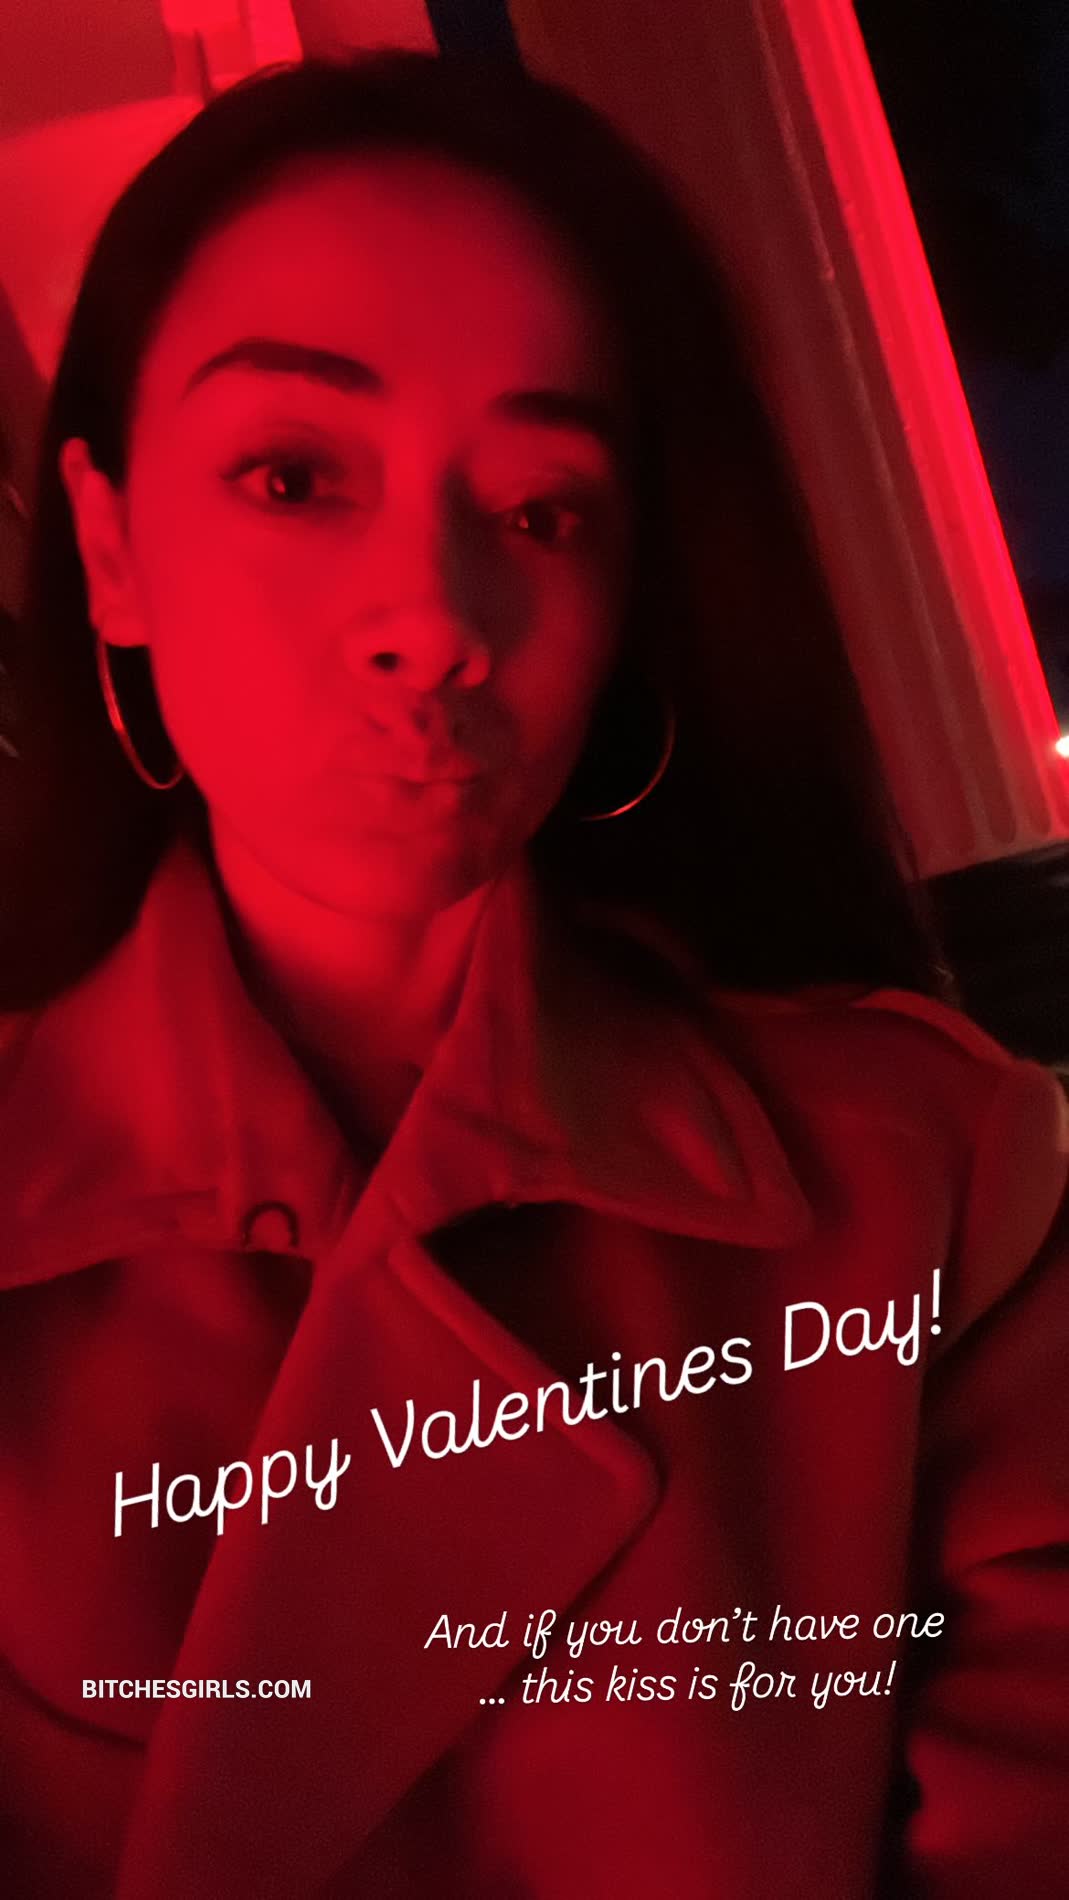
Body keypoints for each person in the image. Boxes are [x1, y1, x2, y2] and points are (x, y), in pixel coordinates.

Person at [0, 49, 1066, 1900]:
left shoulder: (927, 1178)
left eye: (539, 510)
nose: (432, 618)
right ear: (110, 549)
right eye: (293, 475)